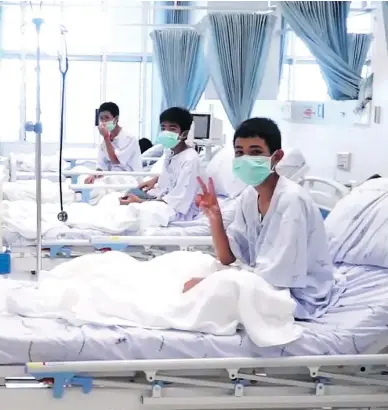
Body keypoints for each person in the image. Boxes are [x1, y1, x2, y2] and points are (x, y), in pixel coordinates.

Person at [183, 117, 345, 320]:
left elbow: (277, 278)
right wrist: (215, 217)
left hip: (296, 294)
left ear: (276, 157)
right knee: (187, 266)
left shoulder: (291, 201)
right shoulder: (249, 197)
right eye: (240, 152)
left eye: (256, 152)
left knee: (205, 292)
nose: (246, 159)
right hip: (263, 280)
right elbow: (228, 257)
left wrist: (213, 283)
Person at [119, 107, 200, 222]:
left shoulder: (190, 159)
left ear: (185, 133)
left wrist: (140, 202)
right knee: (116, 199)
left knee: (130, 213)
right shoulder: (170, 152)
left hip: (174, 212)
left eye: (172, 129)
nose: (166, 132)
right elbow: (171, 176)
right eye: (163, 128)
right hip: (161, 202)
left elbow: (178, 201)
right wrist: (156, 179)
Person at [85, 102, 143, 184]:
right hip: (112, 177)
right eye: (101, 118)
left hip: (130, 178)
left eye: (107, 118)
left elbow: (115, 161)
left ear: (116, 119)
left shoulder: (129, 139)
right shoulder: (104, 142)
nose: (104, 121)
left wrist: (106, 138)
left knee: (99, 188)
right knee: (86, 181)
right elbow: (101, 165)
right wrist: (94, 175)